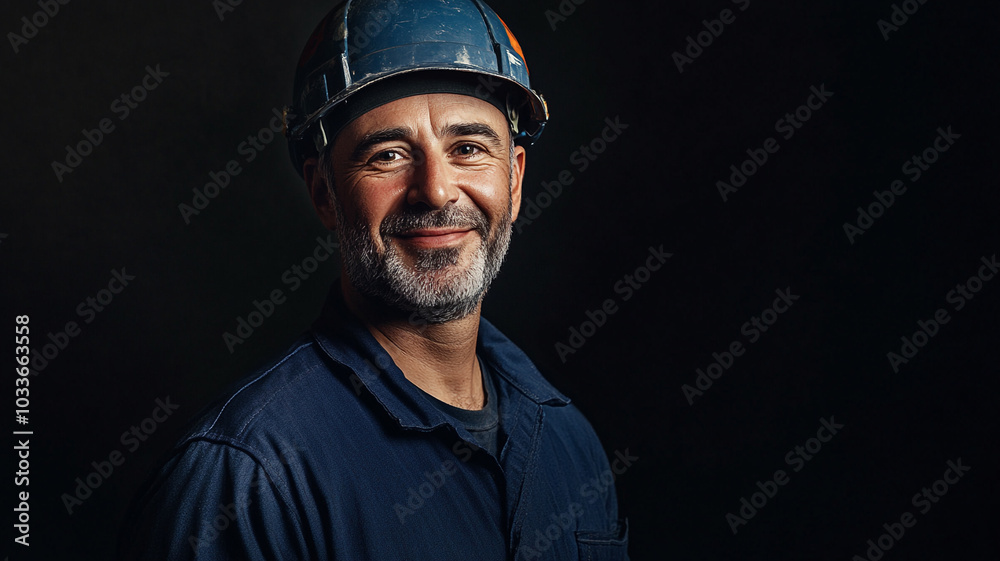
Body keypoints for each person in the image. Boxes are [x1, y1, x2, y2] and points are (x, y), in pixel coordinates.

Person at [119, 1, 629, 559]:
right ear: (324, 194)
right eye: (387, 155)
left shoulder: (567, 441)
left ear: (514, 179)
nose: (435, 191)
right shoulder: (246, 479)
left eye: (468, 149)